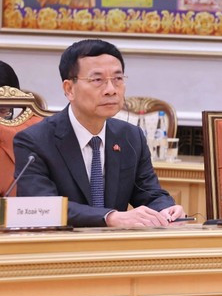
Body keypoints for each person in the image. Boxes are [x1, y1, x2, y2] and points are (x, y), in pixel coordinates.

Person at [13, 39, 184, 227]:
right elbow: (41, 206)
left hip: (115, 244)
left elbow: (149, 193)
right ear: (69, 89)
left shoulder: (130, 136)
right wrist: (109, 217)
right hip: (61, 242)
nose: (111, 90)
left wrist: (165, 208)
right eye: (97, 80)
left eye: (118, 79)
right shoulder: (34, 141)